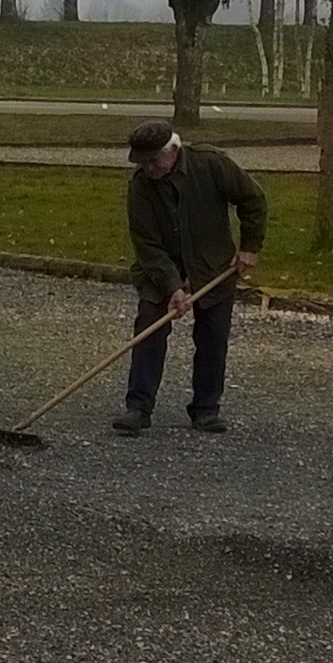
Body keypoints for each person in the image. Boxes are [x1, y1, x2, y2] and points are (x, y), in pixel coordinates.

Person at [117, 119, 269, 434]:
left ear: (173, 150)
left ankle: (205, 410)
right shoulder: (141, 187)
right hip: (159, 271)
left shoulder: (212, 164)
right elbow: (147, 245)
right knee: (148, 333)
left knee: (213, 339)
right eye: (141, 162)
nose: (148, 168)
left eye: (153, 160)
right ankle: (138, 408)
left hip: (214, 267)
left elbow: (253, 199)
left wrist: (250, 247)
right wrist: (172, 286)